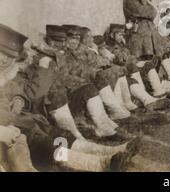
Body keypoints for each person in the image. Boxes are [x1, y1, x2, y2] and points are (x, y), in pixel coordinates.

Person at [0, 24, 136, 172]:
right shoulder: (29, 65)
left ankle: (103, 154)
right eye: (2, 55)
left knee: (53, 135)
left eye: (9, 57)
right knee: (39, 139)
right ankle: (96, 163)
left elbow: (19, 93)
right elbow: (33, 92)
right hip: (20, 121)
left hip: (22, 119)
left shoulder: (17, 69)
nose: (4, 61)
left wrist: (18, 98)